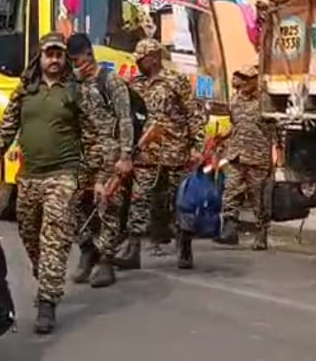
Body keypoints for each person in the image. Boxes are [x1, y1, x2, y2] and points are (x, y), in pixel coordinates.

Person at [0, 32, 116, 333]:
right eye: (50, 54)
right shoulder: (25, 90)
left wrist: (101, 176)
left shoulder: (76, 91)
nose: (55, 60)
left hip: (63, 176)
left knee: (54, 239)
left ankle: (47, 301)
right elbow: (7, 124)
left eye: (59, 55)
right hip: (29, 176)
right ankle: (45, 276)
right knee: (30, 235)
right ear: (40, 57)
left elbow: (96, 134)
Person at [118, 38, 207, 271]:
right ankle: (133, 249)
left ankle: (184, 247)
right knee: (139, 200)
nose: (138, 63)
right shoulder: (136, 84)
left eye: (141, 59)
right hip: (145, 155)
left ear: (154, 58)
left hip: (175, 153)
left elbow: (194, 114)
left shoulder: (176, 81)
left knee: (181, 203)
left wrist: (197, 147)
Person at [65, 33, 135, 288]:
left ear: (89, 54)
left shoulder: (111, 81)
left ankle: (106, 260)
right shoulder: (74, 84)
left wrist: (126, 156)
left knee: (108, 207)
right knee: (71, 203)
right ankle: (87, 249)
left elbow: (125, 119)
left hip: (110, 155)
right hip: (84, 156)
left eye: (78, 60)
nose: (76, 66)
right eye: (72, 62)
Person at [216, 65, 277, 250]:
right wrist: (223, 137)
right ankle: (230, 229)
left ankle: (261, 233)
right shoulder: (235, 100)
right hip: (236, 154)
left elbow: (277, 129)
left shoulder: (266, 101)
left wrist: (279, 155)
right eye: (241, 77)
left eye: (247, 78)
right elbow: (236, 124)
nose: (243, 82)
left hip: (257, 156)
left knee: (258, 198)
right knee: (230, 191)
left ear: (255, 80)